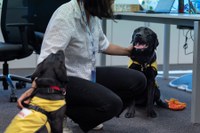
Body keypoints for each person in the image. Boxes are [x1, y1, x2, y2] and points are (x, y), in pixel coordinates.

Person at [17, 0, 147, 132]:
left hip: (86, 73)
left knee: (138, 80)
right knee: (113, 104)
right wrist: (36, 86)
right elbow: (49, 55)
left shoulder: (91, 13)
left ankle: (85, 117)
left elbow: (104, 44)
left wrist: (129, 52)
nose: (113, 2)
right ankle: (57, 114)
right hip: (64, 81)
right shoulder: (66, 15)